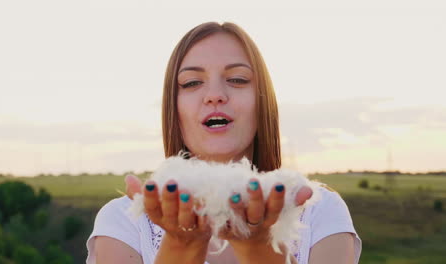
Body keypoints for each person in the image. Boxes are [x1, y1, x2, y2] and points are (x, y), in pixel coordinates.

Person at [86, 22, 361, 264]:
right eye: (192, 83)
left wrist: (259, 250)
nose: (215, 95)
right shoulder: (122, 221)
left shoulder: (320, 210)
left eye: (237, 79)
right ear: (173, 107)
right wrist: (182, 247)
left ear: (263, 101)